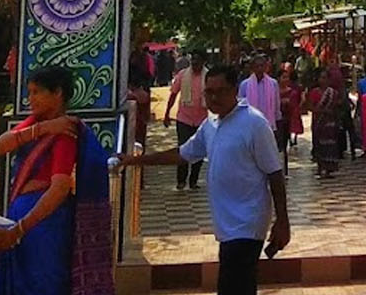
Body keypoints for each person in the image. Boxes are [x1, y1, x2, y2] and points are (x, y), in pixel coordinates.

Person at [118, 63, 290, 295]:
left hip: (248, 222)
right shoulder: (211, 124)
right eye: (209, 92)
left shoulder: (254, 123)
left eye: (221, 91)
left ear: (235, 91)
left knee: (233, 285)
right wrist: (136, 160)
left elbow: (274, 174)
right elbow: (182, 154)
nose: (214, 97)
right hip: (226, 224)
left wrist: (282, 221)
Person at [0, 66, 114, 295]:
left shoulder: (65, 133)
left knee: (42, 284)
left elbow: (59, 188)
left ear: (58, 93)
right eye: (29, 92)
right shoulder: (37, 124)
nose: (30, 99)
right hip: (22, 218)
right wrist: (43, 128)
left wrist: (19, 229)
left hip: (44, 223)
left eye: (36, 92)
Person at [166, 52, 208, 190]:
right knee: (183, 149)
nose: (195, 65)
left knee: (199, 151)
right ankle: (181, 180)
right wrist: (167, 113)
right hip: (184, 119)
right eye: (193, 62)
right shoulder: (182, 75)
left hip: (202, 120)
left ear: (203, 62)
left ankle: (193, 181)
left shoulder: (208, 77)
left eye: (197, 62)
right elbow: (173, 94)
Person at [304, 71, 342, 178]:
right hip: (318, 122)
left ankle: (329, 169)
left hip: (330, 123)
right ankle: (320, 167)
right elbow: (310, 106)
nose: (323, 80)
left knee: (330, 146)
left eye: (325, 78)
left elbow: (338, 106)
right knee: (319, 145)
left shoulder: (333, 93)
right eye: (321, 78)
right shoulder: (314, 92)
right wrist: (321, 111)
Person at [239, 56, 279, 151]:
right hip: (250, 124)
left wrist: (277, 120)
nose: (259, 68)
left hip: (268, 123)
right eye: (257, 66)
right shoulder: (245, 85)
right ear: (252, 68)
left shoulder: (273, 84)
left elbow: (277, 103)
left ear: (266, 67)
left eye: (262, 66)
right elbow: (240, 106)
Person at [276, 69, 303, 163]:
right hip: (276, 121)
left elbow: (295, 106)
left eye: (287, 77)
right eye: (283, 77)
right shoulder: (274, 92)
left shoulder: (292, 92)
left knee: (284, 145)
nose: (285, 79)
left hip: (287, 121)